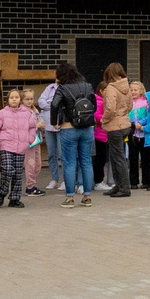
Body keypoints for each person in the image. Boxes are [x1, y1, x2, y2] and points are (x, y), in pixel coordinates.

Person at [50, 62, 98, 208]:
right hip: (87, 128)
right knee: (86, 162)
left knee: (69, 162)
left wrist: (54, 122)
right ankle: (87, 196)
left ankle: (70, 198)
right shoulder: (87, 86)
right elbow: (94, 105)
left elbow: (54, 105)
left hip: (68, 127)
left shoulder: (62, 88)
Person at [0, 86, 34, 210]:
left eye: (16, 97)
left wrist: (29, 140)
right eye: (11, 97)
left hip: (21, 146)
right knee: (8, 169)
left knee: (18, 173)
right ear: (8, 100)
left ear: (20, 99)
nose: (14, 99)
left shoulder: (27, 113)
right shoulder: (3, 113)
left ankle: (14, 198)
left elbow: (32, 127)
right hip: (6, 145)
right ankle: (2, 192)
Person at [97, 63, 132, 198]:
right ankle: (119, 185)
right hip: (124, 124)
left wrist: (104, 120)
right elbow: (130, 106)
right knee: (117, 156)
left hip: (114, 126)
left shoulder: (111, 88)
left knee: (117, 158)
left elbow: (110, 109)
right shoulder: (126, 86)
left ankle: (124, 187)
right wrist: (122, 114)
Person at [32, 79, 57, 194]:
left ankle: (65, 180)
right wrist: (53, 105)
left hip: (61, 126)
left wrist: (50, 104)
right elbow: (41, 102)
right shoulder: (50, 87)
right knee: (51, 154)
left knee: (63, 155)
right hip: (48, 125)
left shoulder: (65, 87)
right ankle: (54, 178)